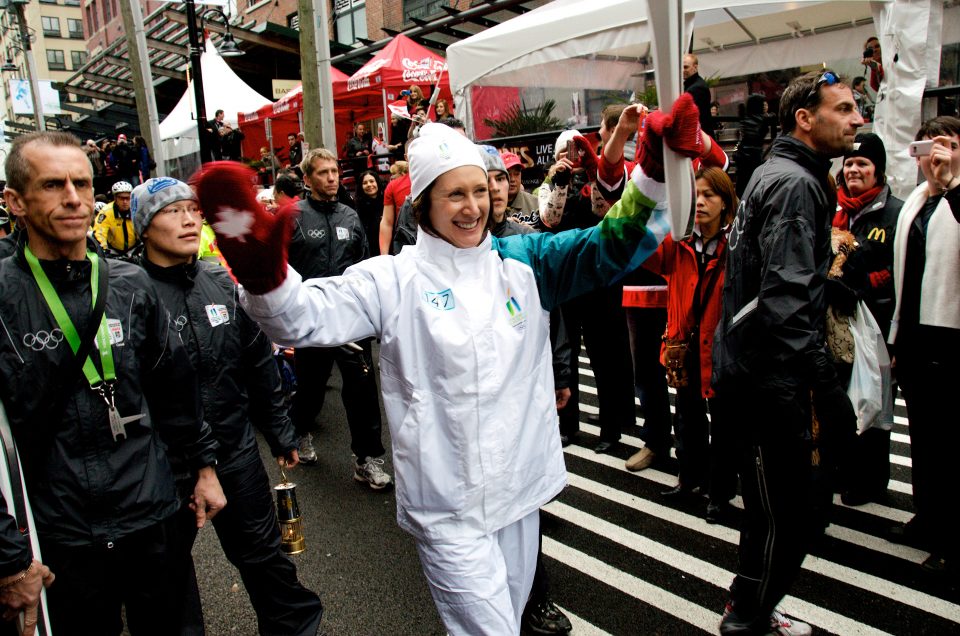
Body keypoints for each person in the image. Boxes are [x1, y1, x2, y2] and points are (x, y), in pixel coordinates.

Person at [193, 98, 698, 632]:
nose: (473, 207)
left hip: (518, 495)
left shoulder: (523, 263)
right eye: (455, 194)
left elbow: (613, 245)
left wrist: (654, 169)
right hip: (448, 507)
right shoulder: (393, 280)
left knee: (510, 619)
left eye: (479, 190)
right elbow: (301, 318)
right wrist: (266, 280)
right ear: (423, 204)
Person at [0, 131, 225, 634]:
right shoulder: (4, 297)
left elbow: (175, 389)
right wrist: (10, 558)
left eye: (82, 182)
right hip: (61, 535)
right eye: (53, 185)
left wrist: (204, 468)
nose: (74, 198)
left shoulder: (128, 282)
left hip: (152, 516)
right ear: (14, 201)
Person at [132, 177, 325, 636]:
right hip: (165, 462)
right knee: (168, 579)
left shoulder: (220, 281)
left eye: (191, 209)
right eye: (170, 211)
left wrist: (280, 430)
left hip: (235, 449)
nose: (186, 218)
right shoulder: (129, 292)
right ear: (143, 226)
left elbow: (258, 361)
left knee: (265, 559)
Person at [713, 69, 862, 635]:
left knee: (769, 510)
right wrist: (825, 388)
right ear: (805, 118)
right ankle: (746, 620)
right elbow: (784, 303)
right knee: (794, 513)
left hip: (752, 371)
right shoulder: (796, 184)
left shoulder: (775, 173)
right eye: (844, 108)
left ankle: (746, 608)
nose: (856, 118)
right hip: (770, 376)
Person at [479, 144, 574, 635]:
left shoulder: (526, 239)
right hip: (475, 408)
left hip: (524, 398)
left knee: (524, 506)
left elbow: (552, 317)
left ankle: (535, 599)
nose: (493, 188)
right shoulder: (441, 246)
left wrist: (560, 374)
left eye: (499, 179)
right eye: (482, 179)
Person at [282, 148, 392, 489]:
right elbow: (281, 270)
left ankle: (368, 459)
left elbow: (364, 264)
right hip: (311, 322)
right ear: (307, 179)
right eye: (323, 173)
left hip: (350, 320)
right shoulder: (293, 216)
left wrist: (372, 312)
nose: (332, 178)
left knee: (361, 389)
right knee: (311, 389)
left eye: (334, 171)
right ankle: (299, 430)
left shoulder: (350, 215)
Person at [641, 167, 739, 522]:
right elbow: (644, 250)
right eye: (695, 194)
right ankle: (689, 480)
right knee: (687, 417)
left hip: (723, 349)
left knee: (725, 423)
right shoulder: (679, 241)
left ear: (727, 203)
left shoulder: (737, 244)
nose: (700, 202)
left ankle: (720, 493)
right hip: (685, 346)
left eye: (709, 195)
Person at [886, 116, 960, 579]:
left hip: (951, 336)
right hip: (915, 334)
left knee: (954, 442)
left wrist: (952, 185)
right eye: (931, 145)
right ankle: (929, 516)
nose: (939, 155)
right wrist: (896, 339)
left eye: (949, 144)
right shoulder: (916, 200)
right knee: (925, 438)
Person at [828, 132, 901, 507]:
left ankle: (872, 480)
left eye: (864, 164)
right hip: (839, 327)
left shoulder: (895, 213)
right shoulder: (834, 210)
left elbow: (899, 270)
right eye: (850, 164)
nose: (855, 170)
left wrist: (861, 283)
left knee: (875, 403)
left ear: (879, 171)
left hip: (878, 326)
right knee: (843, 400)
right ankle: (844, 469)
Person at [735, 94, 770, 198]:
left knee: (742, 183)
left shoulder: (744, 117)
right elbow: (763, 133)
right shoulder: (764, 120)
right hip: (756, 155)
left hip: (742, 156)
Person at [93, 180, 140, 259]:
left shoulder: (137, 209)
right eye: (121, 198)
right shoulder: (106, 212)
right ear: (115, 198)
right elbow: (99, 233)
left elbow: (145, 228)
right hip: (114, 251)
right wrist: (104, 250)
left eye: (128, 198)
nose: (125, 202)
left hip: (135, 249)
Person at [379, 158, 411, 254]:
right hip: (405, 245)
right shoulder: (392, 186)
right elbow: (387, 222)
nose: (391, 177)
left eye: (394, 174)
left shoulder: (437, 179)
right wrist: (384, 257)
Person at [502, 151, 539, 223]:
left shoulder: (536, 203)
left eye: (516, 174)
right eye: (508, 174)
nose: (512, 179)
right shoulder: (490, 207)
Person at [683, 54, 714, 138]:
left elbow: (687, 114)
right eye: (681, 67)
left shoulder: (697, 88)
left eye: (686, 67)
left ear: (695, 67)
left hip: (700, 138)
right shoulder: (694, 85)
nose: (682, 70)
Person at [355, 169, 384, 257]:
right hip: (370, 251)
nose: (369, 185)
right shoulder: (358, 207)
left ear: (377, 183)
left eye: (372, 181)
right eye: (365, 183)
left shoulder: (387, 203)